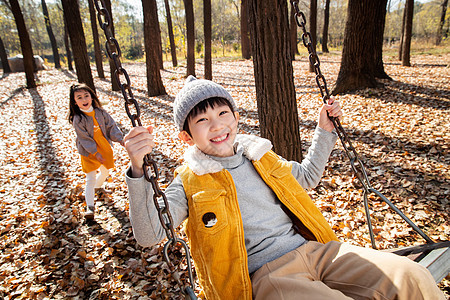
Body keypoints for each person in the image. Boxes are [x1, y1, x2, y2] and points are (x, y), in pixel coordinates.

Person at [123, 76, 444, 300]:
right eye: (203, 120)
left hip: (317, 251)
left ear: (236, 117)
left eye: (223, 113)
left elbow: (305, 178)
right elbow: (150, 234)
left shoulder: (260, 157)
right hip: (268, 277)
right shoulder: (190, 182)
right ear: (187, 136)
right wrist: (138, 169)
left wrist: (324, 131)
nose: (218, 125)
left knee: (410, 278)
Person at [68, 83, 124, 220]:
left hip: (103, 148)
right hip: (88, 152)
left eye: (86, 96)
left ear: (92, 97)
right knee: (90, 178)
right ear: (75, 102)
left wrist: (121, 139)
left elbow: (111, 127)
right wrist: (95, 153)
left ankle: (97, 188)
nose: (84, 100)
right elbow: (84, 138)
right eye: (79, 97)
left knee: (105, 172)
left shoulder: (100, 113)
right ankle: (90, 207)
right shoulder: (78, 119)